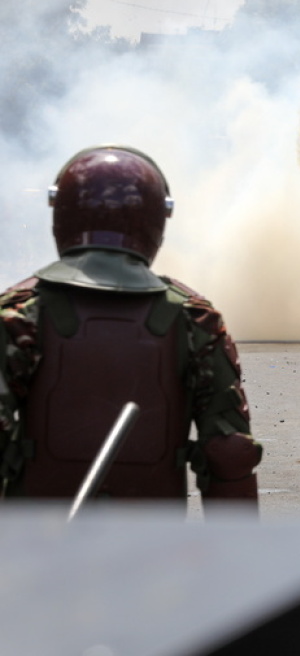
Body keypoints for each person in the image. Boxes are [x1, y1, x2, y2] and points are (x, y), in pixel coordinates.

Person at [0, 145, 262, 512]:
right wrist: (239, 558)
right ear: (157, 219)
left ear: (62, 213)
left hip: (35, 548)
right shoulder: (194, 318)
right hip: (151, 548)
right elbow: (230, 450)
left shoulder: (19, 313)